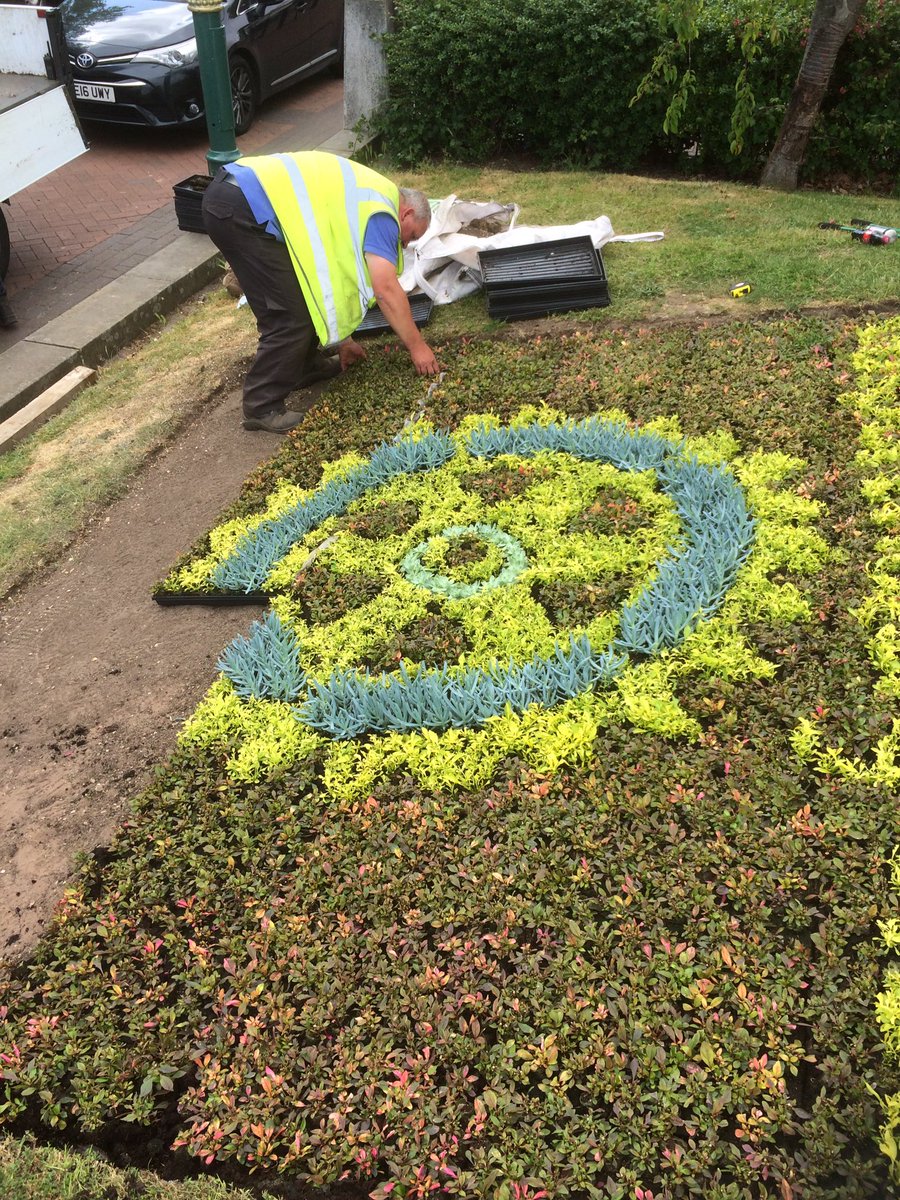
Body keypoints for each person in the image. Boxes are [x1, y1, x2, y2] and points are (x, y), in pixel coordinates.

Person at [202, 151, 440, 433]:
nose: (405, 245)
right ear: (407, 213)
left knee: (301, 298)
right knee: (290, 314)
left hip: (237, 198)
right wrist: (418, 347)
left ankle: (303, 366)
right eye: (412, 235)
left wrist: (343, 339)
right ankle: (261, 405)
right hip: (243, 206)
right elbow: (386, 288)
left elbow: (328, 280)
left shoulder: (368, 199)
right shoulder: (382, 213)